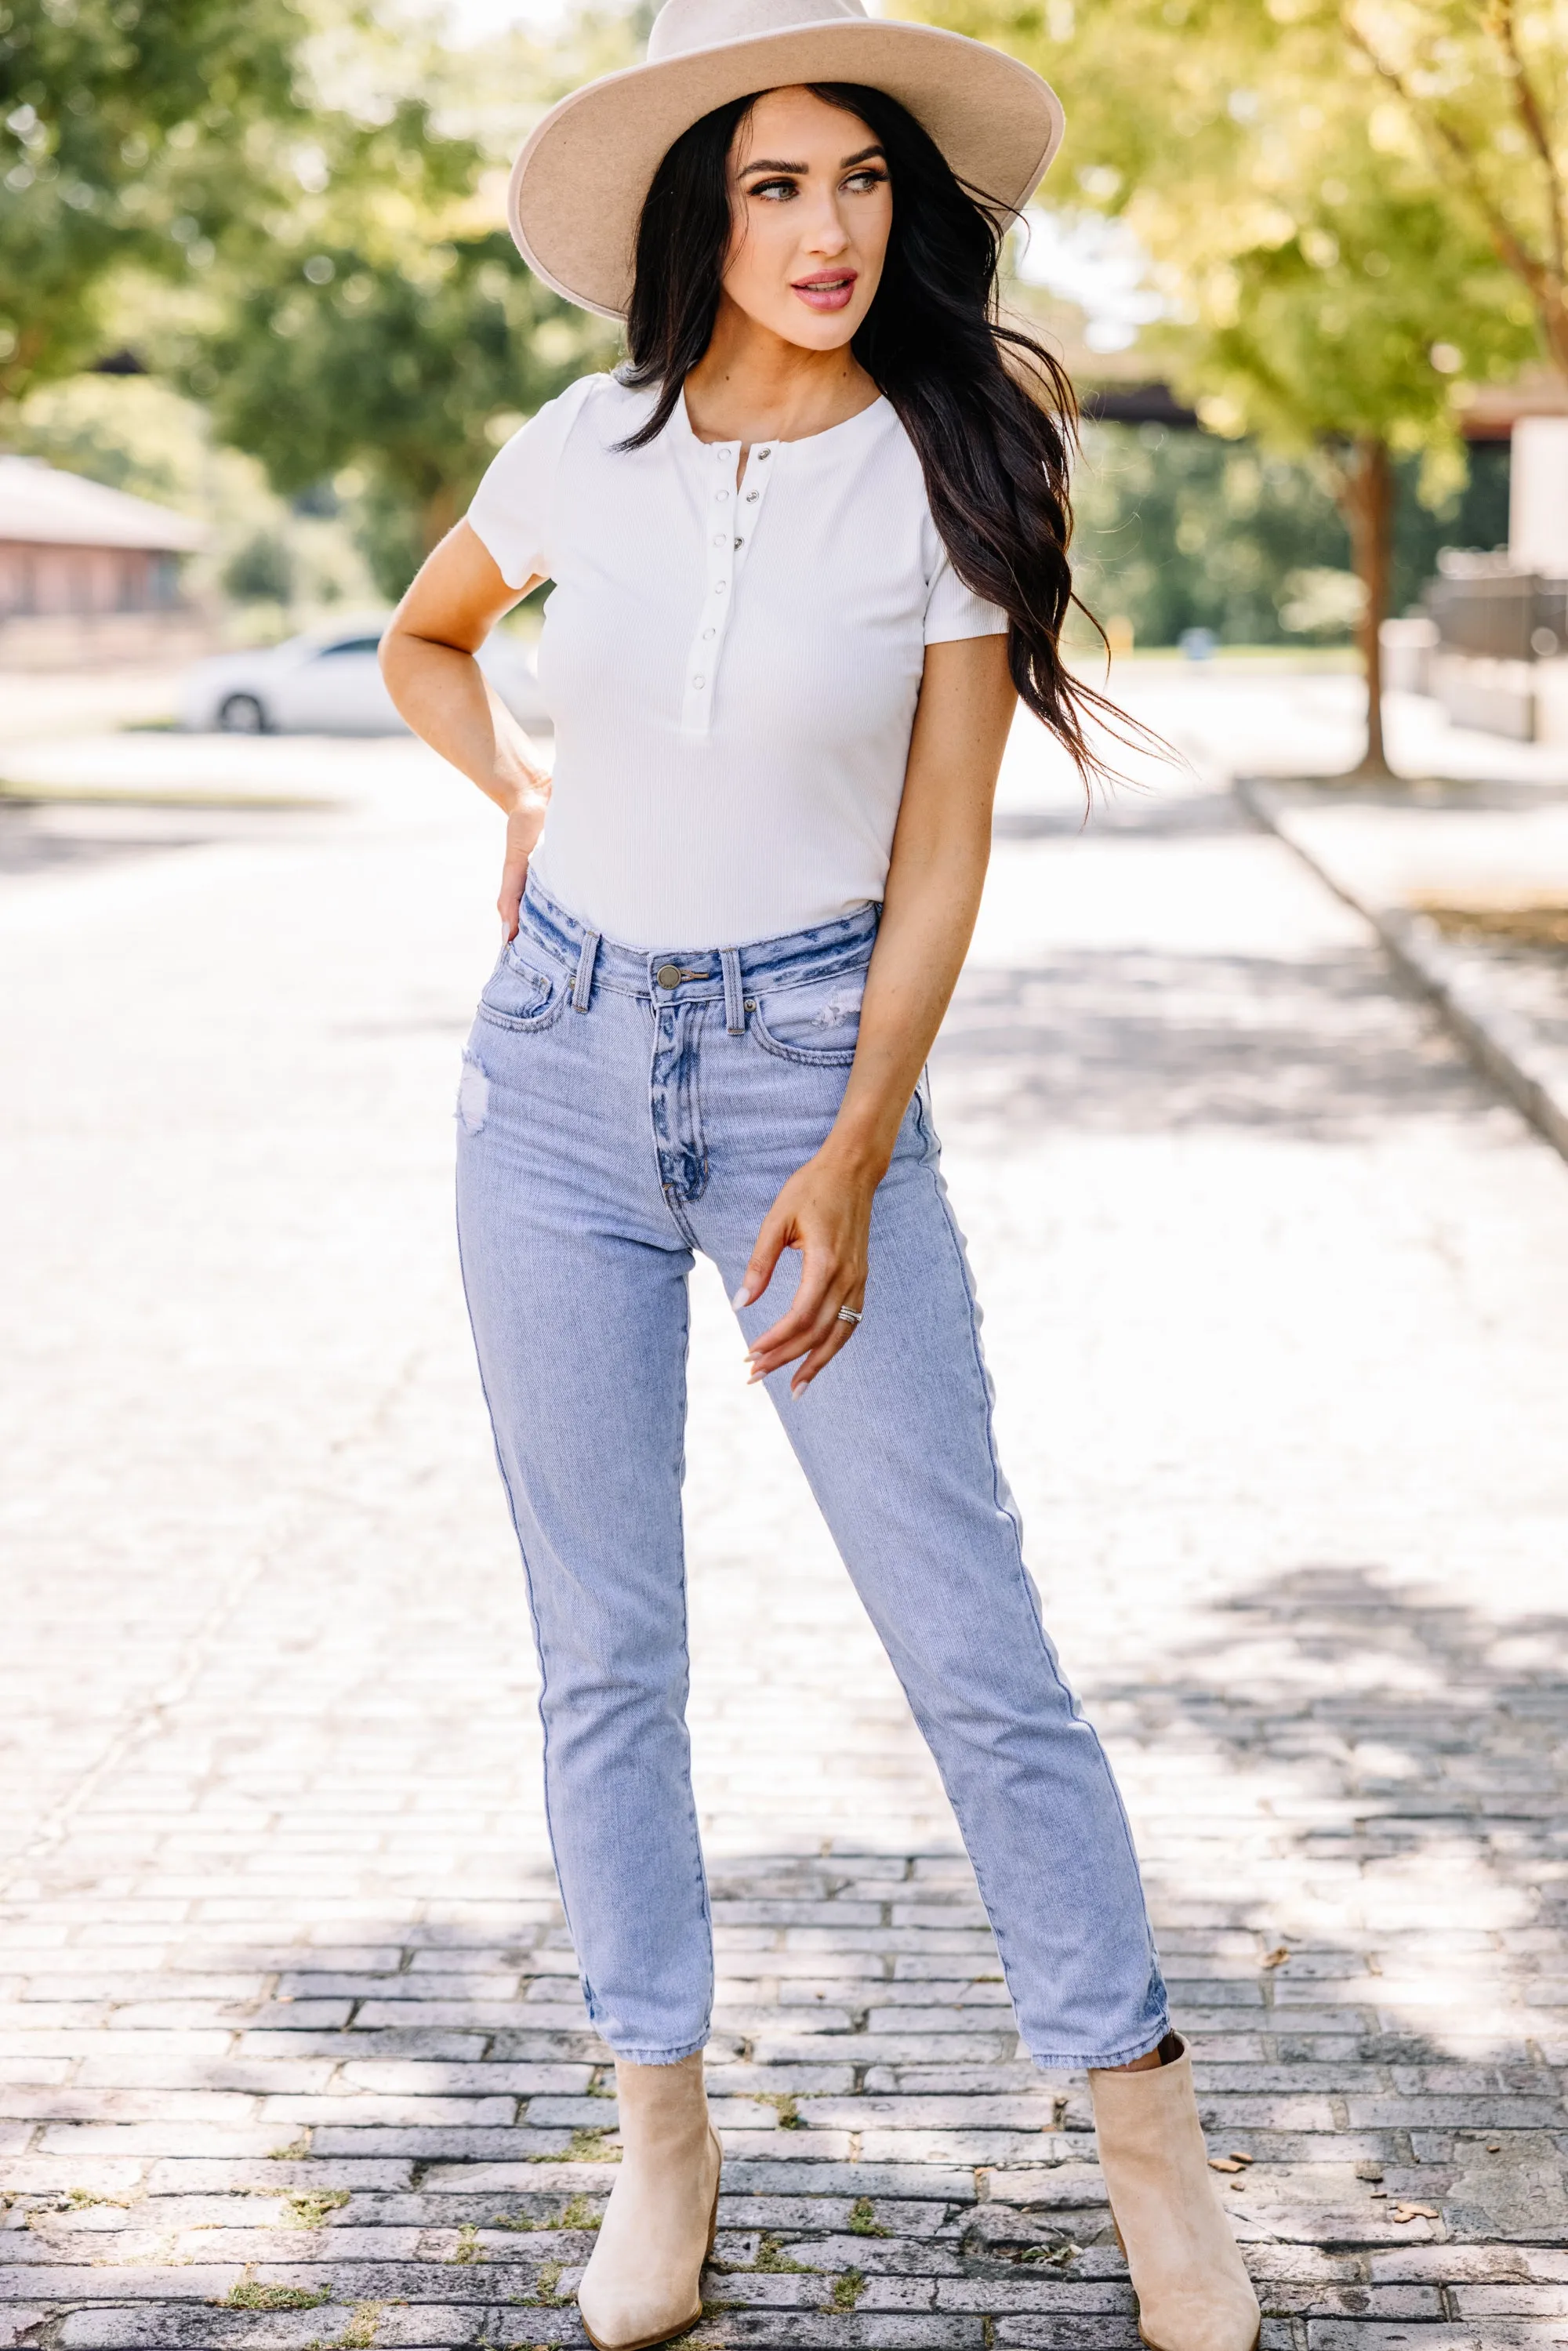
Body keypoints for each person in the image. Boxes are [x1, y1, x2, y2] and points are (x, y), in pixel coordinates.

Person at [380, 2, 1261, 2346]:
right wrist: (524, 801)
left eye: (860, 180)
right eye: (775, 186)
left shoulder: (947, 466)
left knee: (972, 1640)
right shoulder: (583, 442)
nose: (827, 230)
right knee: (607, 1650)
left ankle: (1150, 2147)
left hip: (805, 1064)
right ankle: (659, 2136)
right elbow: (427, 637)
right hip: (551, 1071)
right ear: (699, 211)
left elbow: (947, 847)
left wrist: (859, 1144)